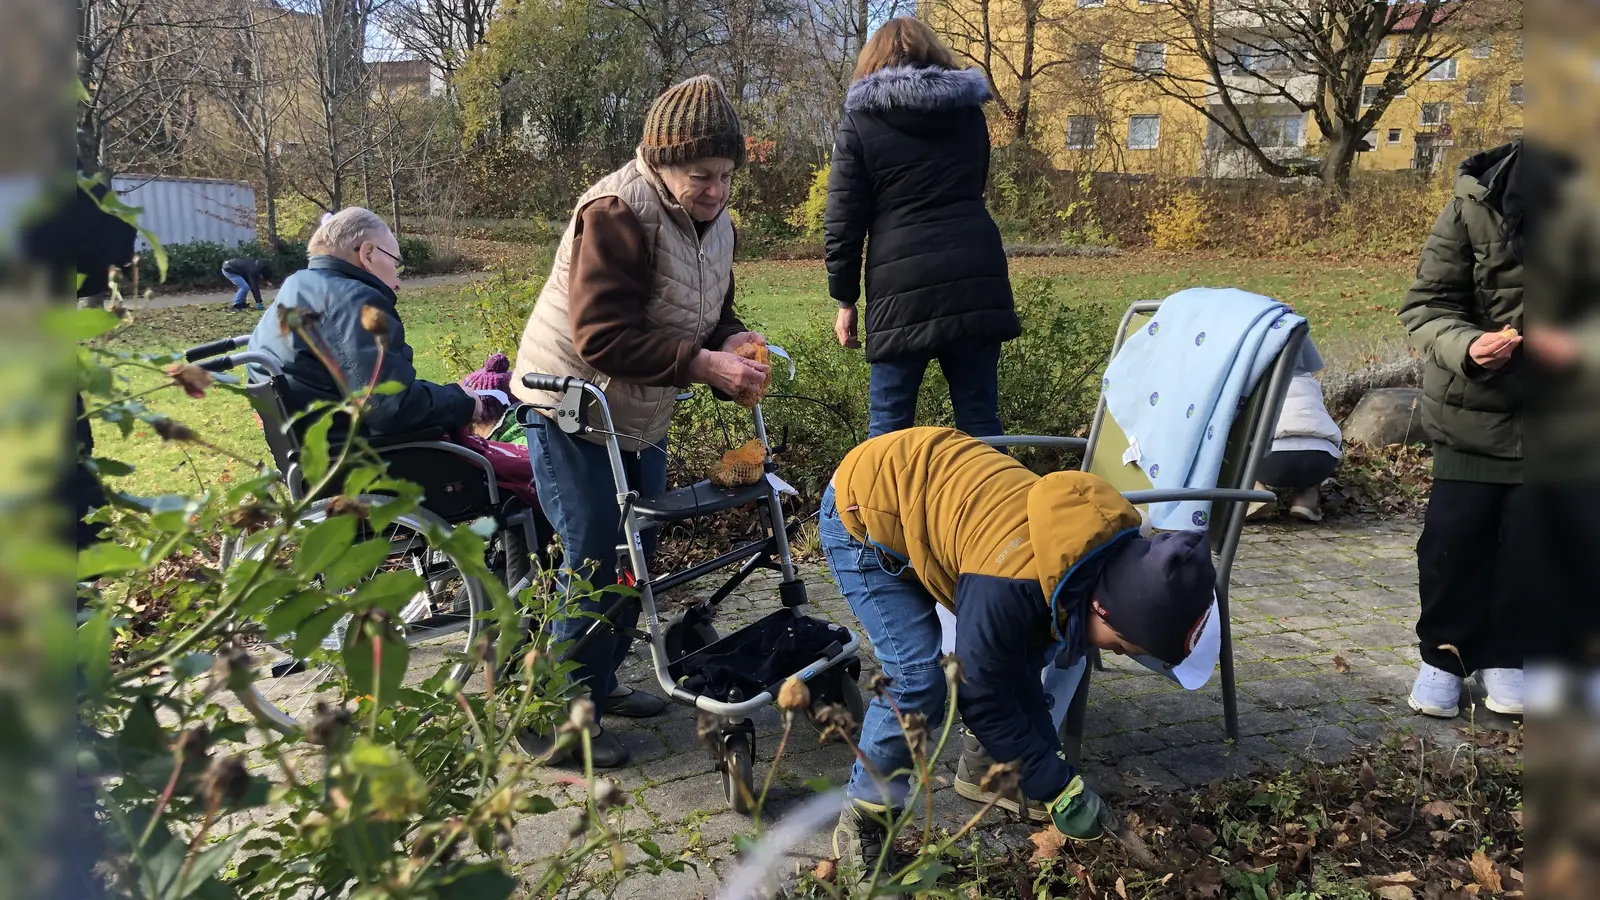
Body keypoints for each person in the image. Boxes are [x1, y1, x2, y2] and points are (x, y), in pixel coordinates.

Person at [510, 75, 770, 768]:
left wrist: (737, 345)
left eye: (725, 176)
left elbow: (713, 317)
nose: (715, 189)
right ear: (660, 161)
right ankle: (556, 723)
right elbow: (603, 339)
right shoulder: (616, 211)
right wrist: (705, 366)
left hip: (639, 418)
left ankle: (593, 686)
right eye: (699, 175)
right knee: (596, 557)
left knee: (636, 560)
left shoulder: (721, 228)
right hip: (569, 408)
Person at [821, 426, 1219, 874]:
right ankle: (862, 820)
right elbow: (982, 695)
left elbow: (1021, 675)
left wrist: (1051, 770)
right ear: (1102, 609)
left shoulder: (1080, 566)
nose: (1122, 655)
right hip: (863, 510)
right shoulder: (1013, 583)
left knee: (1015, 662)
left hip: (930, 503)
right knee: (919, 681)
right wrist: (1054, 783)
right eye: (1125, 645)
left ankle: (1002, 772)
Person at [824, 17, 1019, 439]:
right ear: (935, 55)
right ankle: (996, 506)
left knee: (888, 433)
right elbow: (975, 184)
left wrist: (845, 299)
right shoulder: (969, 115)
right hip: (975, 276)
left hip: (901, 286)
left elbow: (843, 220)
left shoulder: (860, 123)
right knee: (982, 425)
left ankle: (880, 507)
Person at [1398, 139, 1529, 719]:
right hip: (1473, 413)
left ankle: (1510, 655)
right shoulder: (1475, 203)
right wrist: (1469, 346)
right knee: (1452, 547)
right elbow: (1426, 306)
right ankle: (1442, 659)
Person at [248, 207, 485, 437]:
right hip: (368, 459)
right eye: (396, 264)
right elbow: (391, 408)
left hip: (320, 451)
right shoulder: (356, 300)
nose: (398, 282)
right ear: (367, 254)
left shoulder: (297, 286)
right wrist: (463, 401)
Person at [1248, 373, 1343, 523]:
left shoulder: (1253, 377)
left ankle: (1256, 493)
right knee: (1320, 437)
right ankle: (1306, 501)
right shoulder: (1310, 381)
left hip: (1271, 461)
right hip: (1320, 461)